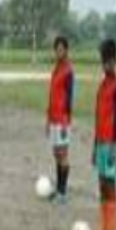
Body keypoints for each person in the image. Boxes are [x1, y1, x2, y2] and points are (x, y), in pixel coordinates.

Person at [92, 38, 116, 230]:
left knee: (110, 186)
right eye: (104, 62)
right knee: (102, 184)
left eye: (110, 61)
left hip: (111, 143)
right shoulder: (102, 86)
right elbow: (98, 116)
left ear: (115, 60)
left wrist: (114, 145)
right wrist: (95, 145)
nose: (106, 66)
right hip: (100, 141)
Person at [46, 35, 75, 205]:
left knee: (63, 154)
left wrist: (66, 120)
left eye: (61, 49)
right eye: (57, 49)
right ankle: (58, 189)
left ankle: (63, 193)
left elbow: (69, 98)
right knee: (56, 153)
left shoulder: (68, 71)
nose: (59, 52)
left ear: (66, 50)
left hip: (62, 120)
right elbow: (52, 95)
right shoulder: (55, 69)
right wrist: (48, 119)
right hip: (53, 119)